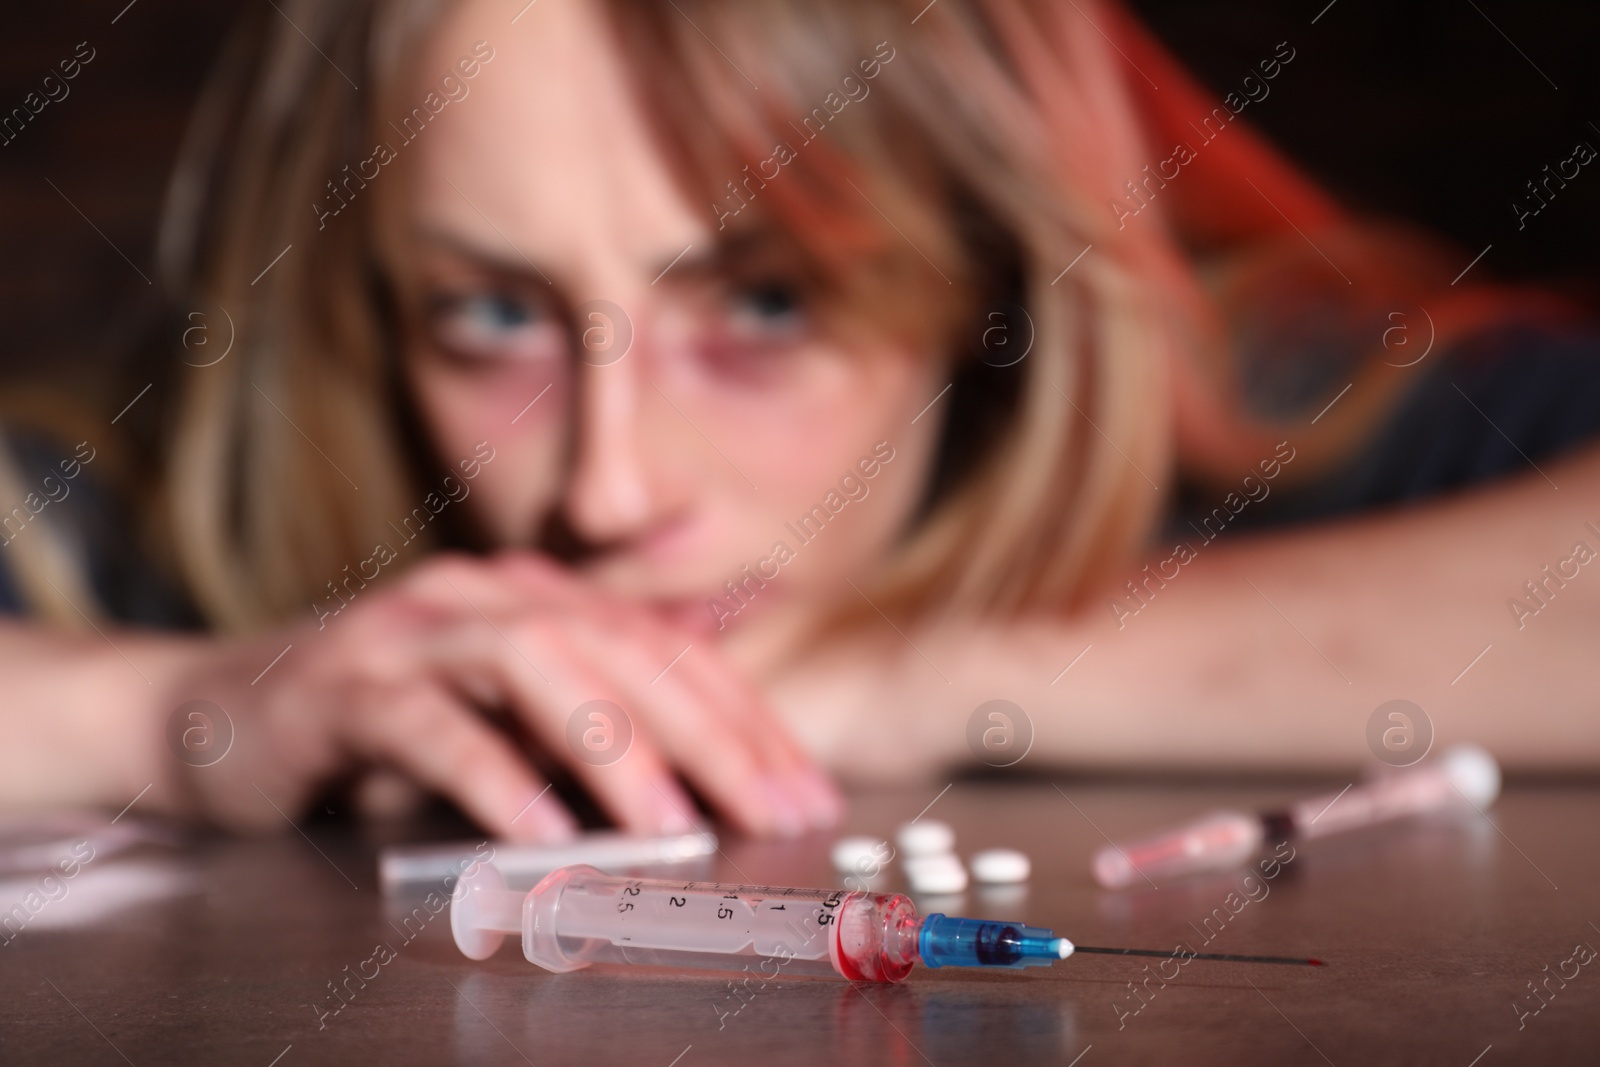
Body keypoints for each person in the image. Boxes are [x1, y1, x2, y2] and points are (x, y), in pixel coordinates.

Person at [1, 0, 1596, 843]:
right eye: (490, 314)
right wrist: (178, 720)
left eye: (763, 307)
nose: (609, 491)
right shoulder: (188, 507)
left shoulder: (1289, 410)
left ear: (987, 268)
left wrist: (925, 663)